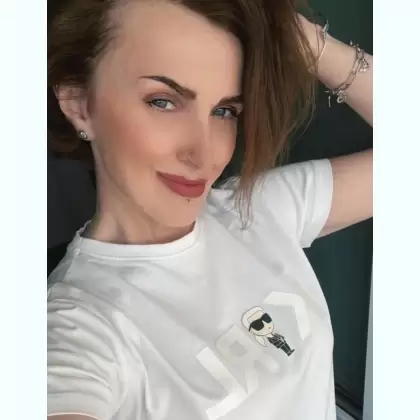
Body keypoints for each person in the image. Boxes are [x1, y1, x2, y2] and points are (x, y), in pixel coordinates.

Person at [47, 1, 372, 419]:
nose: (204, 154)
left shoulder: (253, 209)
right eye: (163, 101)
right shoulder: (77, 327)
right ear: (78, 103)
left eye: (224, 111)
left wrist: (302, 40)